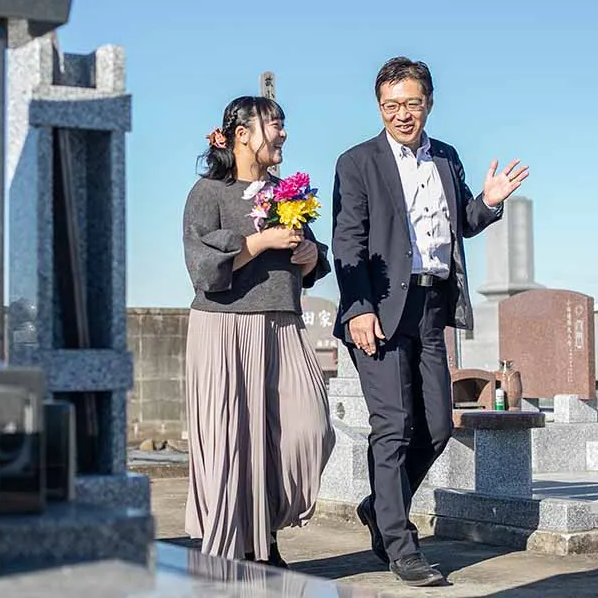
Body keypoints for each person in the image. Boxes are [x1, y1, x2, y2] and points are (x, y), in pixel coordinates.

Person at [331, 57, 528, 586]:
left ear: (429, 104)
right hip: (379, 310)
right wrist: (357, 308)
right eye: (391, 105)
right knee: (392, 425)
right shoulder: (357, 163)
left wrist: (487, 202)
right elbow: (347, 240)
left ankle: (379, 508)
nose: (402, 115)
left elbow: (461, 219)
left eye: (412, 104)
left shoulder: (445, 157)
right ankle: (400, 543)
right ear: (379, 107)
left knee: (438, 425)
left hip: (432, 307)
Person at [182, 95, 335, 566]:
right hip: (223, 326)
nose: (283, 133)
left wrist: (312, 254)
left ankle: (263, 534)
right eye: (274, 124)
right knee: (234, 445)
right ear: (242, 134)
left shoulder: (289, 191)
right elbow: (203, 270)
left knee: (309, 429)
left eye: (284, 124)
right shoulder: (207, 192)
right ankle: (250, 547)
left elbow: (306, 253)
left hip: (284, 322)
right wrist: (259, 241)